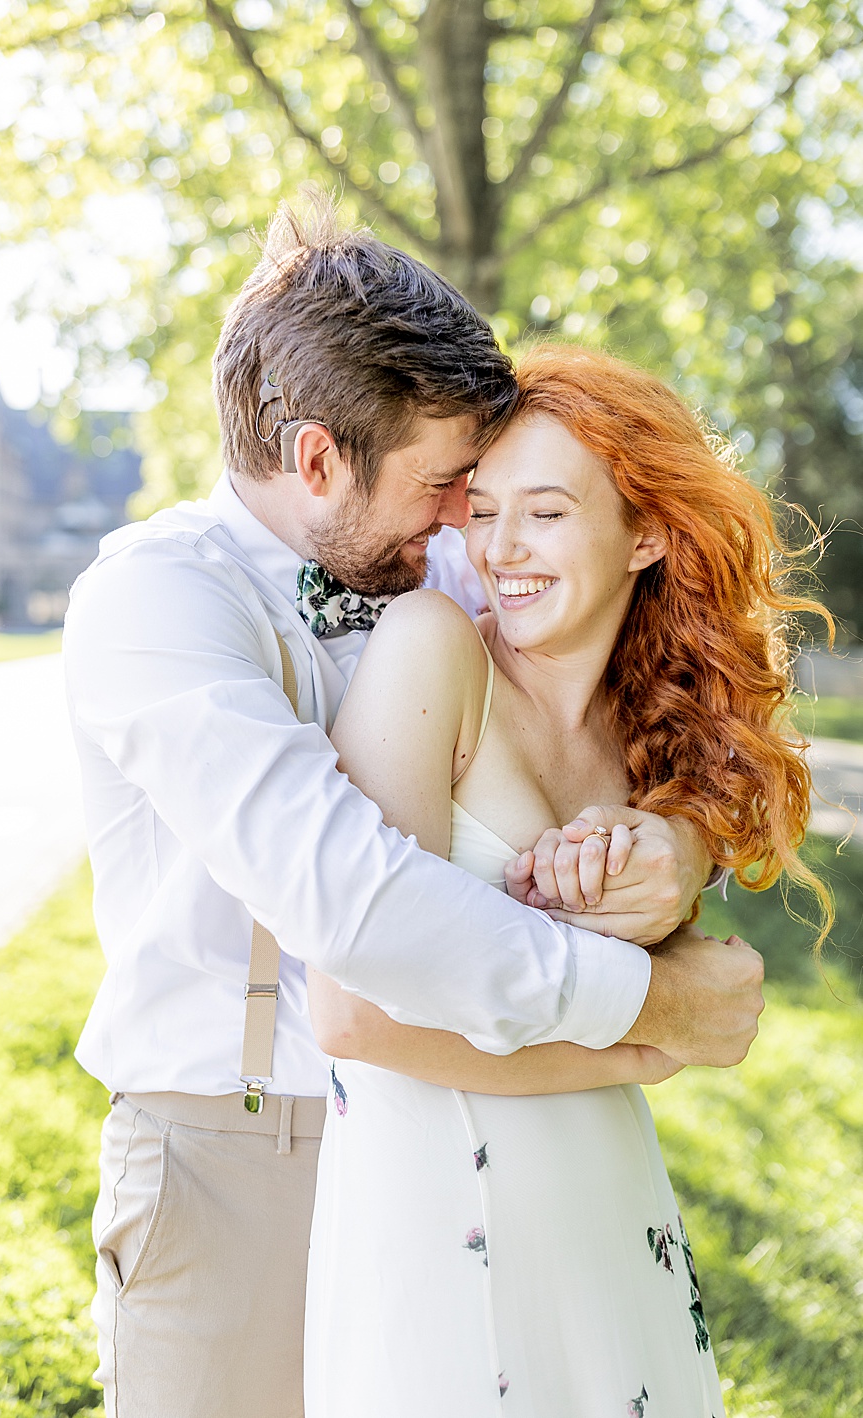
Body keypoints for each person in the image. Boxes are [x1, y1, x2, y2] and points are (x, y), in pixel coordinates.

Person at [60, 193, 766, 1416]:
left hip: (467, 1125)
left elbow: (616, 693)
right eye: (448, 484)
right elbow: (358, 904)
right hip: (243, 1149)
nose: (469, 522)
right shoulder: (156, 606)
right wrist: (654, 1005)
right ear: (319, 458)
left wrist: (682, 838)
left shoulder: (431, 556)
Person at [303, 344, 825, 1414]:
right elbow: (351, 1012)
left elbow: (688, 954)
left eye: (543, 512)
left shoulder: (652, 738)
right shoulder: (432, 650)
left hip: (608, 1210)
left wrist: (674, 892)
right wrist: (643, 1040)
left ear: (645, 531)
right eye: (482, 508)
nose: (498, 548)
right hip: (441, 1213)